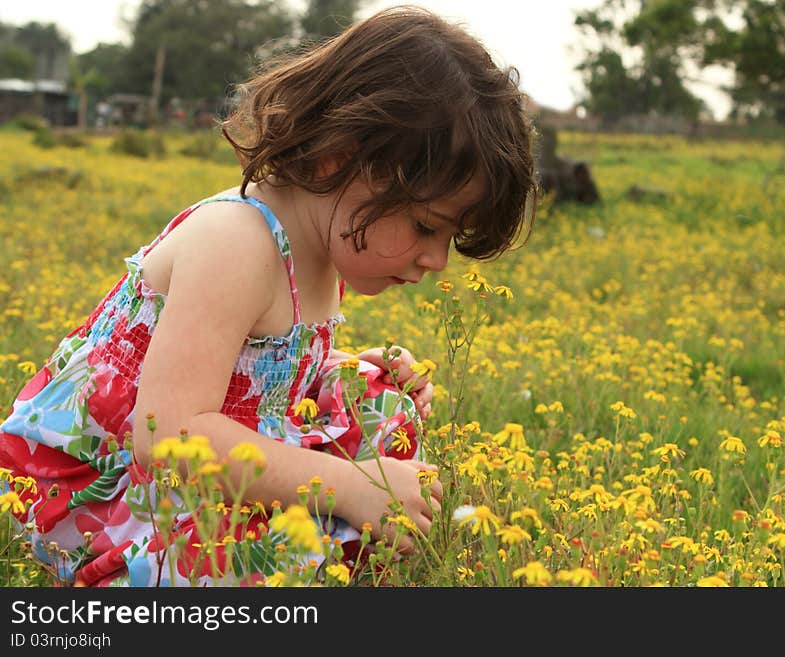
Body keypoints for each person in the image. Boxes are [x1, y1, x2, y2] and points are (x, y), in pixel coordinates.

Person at [0, 5, 536, 587]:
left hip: (201, 468)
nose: (436, 260)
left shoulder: (323, 248)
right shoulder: (236, 242)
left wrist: (347, 372)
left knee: (384, 404)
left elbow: (254, 370)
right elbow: (166, 435)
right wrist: (354, 488)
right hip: (106, 487)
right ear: (340, 156)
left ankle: (337, 548)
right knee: (262, 557)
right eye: (427, 226)